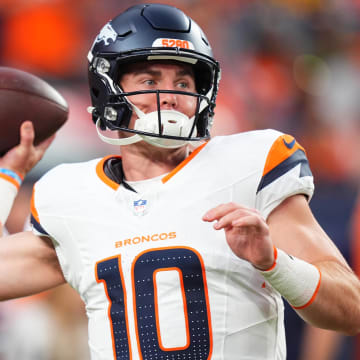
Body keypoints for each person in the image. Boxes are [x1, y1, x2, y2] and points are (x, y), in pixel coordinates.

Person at [1, 4, 360, 360]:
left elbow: (352, 309)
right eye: (150, 80)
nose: (170, 96)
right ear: (107, 89)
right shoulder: (73, 197)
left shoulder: (251, 165)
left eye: (184, 82)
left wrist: (275, 264)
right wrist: (8, 173)